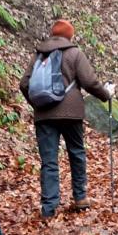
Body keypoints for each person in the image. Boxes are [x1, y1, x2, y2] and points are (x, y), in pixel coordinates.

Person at [19, 19, 113, 219]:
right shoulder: (74, 53)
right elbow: (90, 82)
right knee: (77, 153)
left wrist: (37, 104)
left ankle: (49, 207)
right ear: (70, 35)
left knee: (49, 160)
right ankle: (80, 198)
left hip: (44, 115)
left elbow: (24, 84)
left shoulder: (39, 54)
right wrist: (106, 95)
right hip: (72, 113)